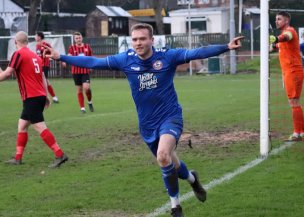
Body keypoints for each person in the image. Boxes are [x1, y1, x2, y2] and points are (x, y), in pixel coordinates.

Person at [45, 23, 244, 217]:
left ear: (151, 40)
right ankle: (192, 179)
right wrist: (60, 56)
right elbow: (93, 62)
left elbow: (197, 53)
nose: (138, 43)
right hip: (147, 124)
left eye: (142, 39)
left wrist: (225, 47)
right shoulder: (125, 59)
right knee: (172, 163)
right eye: (135, 39)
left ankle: (175, 207)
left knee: (163, 156)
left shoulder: (167, 56)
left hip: (170, 117)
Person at [0, 31, 68, 168]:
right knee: (22, 125)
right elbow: (42, 75)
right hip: (38, 96)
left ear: (15, 42)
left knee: (39, 126)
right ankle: (18, 158)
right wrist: (46, 95)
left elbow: (7, 73)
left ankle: (60, 154)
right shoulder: (34, 56)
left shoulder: (18, 54)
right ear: (27, 41)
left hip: (31, 97)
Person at [270, 11, 304, 141]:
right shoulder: (282, 36)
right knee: (295, 102)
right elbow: (278, 45)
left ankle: (297, 133)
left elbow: (286, 36)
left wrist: (277, 39)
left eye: (279, 19)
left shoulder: (290, 31)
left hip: (293, 71)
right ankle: (301, 131)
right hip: (289, 72)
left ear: (286, 21)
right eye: (276, 19)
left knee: (294, 102)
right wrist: (272, 44)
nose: (276, 21)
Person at [63, 31, 94, 113]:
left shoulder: (87, 47)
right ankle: (82, 108)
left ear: (82, 38)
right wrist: (64, 60)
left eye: (79, 38)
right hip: (76, 72)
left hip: (85, 71)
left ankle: (90, 102)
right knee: (79, 90)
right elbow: (68, 56)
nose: (78, 39)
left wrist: (92, 65)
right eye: (76, 38)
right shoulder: (72, 48)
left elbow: (91, 57)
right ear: (74, 40)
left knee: (87, 88)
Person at [35, 31, 59, 103]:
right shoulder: (37, 45)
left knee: (43, 81)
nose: (35, 37)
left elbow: (53, 52)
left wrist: (48, 54)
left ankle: (46, 97)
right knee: (45, 81)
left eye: (36, 36)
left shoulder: (46, 44)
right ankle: (54, 97)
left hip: (45, 65)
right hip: (39, 65)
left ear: (39, 37)